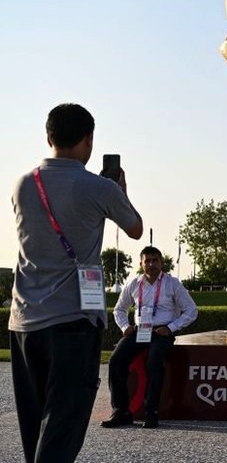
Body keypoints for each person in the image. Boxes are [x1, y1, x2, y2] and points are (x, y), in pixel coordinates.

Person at [9, 103, 143, 463]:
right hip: (73, 320)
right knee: (63, 427)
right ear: (89, 140)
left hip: (24, 320)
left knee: (35, 428)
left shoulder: (23, 184)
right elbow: (134, 229)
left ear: (48, 137)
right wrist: (120, 190)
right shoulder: (98, 187)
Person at [101, 246, 197, 429]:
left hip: (162, 332)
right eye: (148, 261)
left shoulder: (172, 283)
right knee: (115, 360)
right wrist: (124, 327)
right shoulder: (134, 284)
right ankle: (121, 412)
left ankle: (151, 411)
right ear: (141, 263)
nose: (151, 264)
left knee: (154, 361)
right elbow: (119, 309)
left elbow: (192, 310)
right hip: (139, 331)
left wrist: (171, 328)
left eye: (155, 260)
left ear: (161, 262)